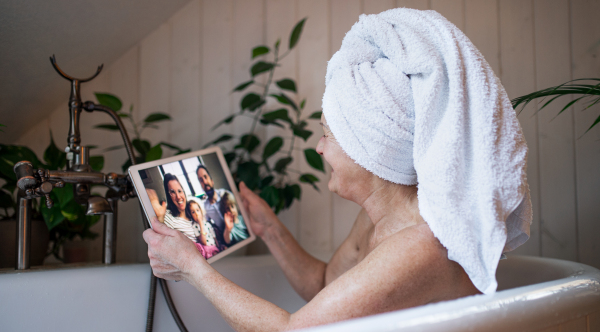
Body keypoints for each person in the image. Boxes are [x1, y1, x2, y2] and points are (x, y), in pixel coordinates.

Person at [143, 8, 532, 331]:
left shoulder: (421, 246)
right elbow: (327, 285)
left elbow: (293, 331)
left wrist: (193, 269)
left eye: (328, 134)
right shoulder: (376, 220)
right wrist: (270, 230)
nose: (319, 147)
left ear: (370, 149)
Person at [146, 173, 196, 242]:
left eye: (179, 191)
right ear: (169, 197)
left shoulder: (193, 210)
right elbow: (163, 241)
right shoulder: (169, 217)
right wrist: (160, 217)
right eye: (172, 192)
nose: (178, 197)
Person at [195, 164, 233, 246]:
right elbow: (208, 226)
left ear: (211, 180)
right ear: (200, 185)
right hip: (225, 239)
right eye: (201, 180)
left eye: (205, 177)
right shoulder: (205, 207)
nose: (205, 182)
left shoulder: (225, 194)